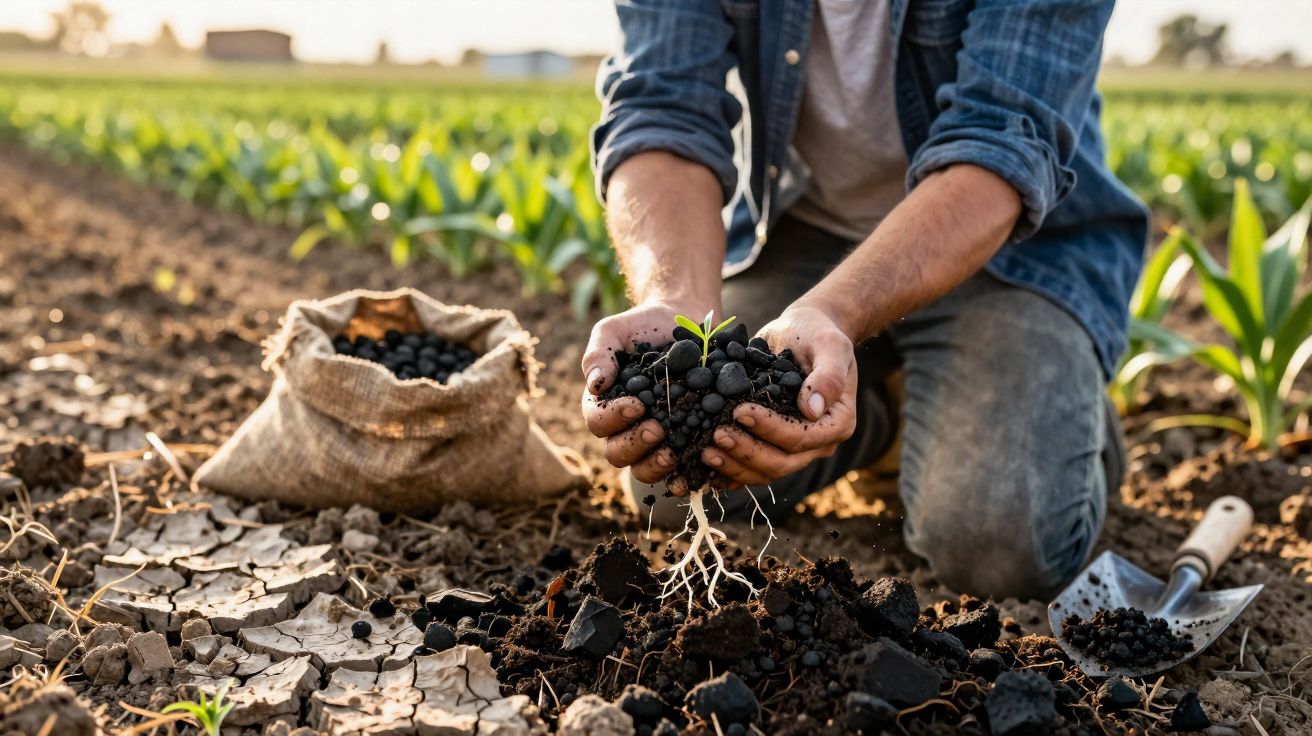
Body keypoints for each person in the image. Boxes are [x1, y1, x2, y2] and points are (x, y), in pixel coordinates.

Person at [579, 0, 1148, 601]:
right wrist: (676, 302)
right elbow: (661, 111)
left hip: (1009, 249)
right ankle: (883, 416)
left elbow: (1001, 144)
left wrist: (834, 313)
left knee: (997, 542)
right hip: (810, 232)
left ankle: (1065, 413)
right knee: (673, 474)